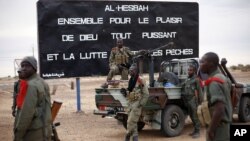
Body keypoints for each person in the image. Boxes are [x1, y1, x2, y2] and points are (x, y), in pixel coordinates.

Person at [14, 56, 52, 141]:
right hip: (44, 129)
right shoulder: (42, 82)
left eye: (27, 66)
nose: (23, 68)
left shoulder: (31, 86)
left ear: (34, 68)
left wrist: (18, 135)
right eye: (22, 66)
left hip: (32, 133)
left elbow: (26, 114)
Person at [199, 52, 232, 141]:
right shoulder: (222, 77)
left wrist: (211, 130)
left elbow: (219, 108)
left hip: (218, 128)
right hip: (224, 126)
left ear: (211, 64)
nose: (200, 64)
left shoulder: (214, 82)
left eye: (202, 62)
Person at [122, 63, 149, 141]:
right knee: (133, 123)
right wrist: (125, 92)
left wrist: (141, 104)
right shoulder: (131, 80)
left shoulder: (140, 80)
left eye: (132, 70)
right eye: (129, 70)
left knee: (130, 122)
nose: (130, 72)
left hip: (137, 104)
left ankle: (127, 136)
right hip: (130, 103)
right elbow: (130, 91)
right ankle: (135, 138)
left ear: (135, 71)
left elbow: (146, 94)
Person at [182, 65, 202, 138]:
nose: (189, 71)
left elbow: (200, 91)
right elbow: (182, 85)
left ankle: (197, 132)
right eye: (188, 70)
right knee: (191, 116)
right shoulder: (188, 79)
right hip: (187, 100)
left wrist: (200, 102)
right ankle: (195, 130)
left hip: (193, 100)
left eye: (190, 70)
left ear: (194, 71)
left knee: (195, 116)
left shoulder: (196, 79)